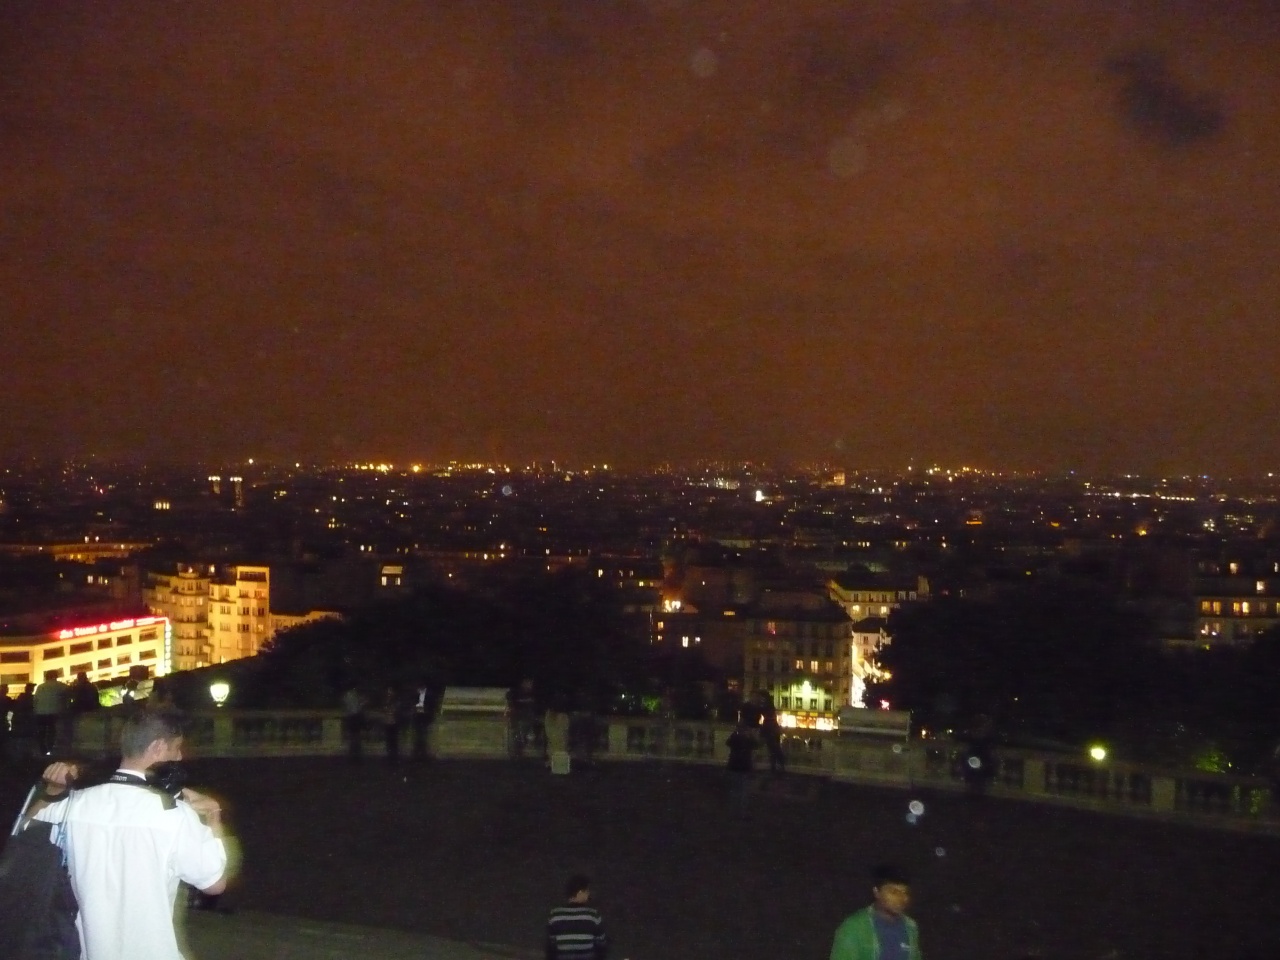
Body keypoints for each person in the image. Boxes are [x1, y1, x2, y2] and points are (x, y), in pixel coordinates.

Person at [26, 710, 230, 960]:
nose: (179, 757)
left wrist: (52, 791)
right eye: (176, 749)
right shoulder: (175, 815)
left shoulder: (75, 805)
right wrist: (213, 815)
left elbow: (26, 830)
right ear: (157, 747)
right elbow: (214, 883)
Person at [829, 864, 923, 960]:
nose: (901, 898)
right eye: (894, 892)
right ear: (876, 892)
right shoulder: (854, 927)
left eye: (905, 893)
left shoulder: (910, 927)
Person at [546, 873, 608, 960]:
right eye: (587, 891)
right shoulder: (592, 915)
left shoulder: (555, 914)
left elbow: (552, 943)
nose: (588, 894)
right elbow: (601, 942)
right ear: (580, 892)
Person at [725, 720, 759, 814]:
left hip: (734, 766)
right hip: (745, 766)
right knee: (743, 790)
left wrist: (735, 733)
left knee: (734, 790)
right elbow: (756, 745)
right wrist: (751, 734)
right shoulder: (748, 739)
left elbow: (727, 743)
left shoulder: (735, 738)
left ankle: (733, 810)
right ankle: (742, 811)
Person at [33, 672, 69, 756]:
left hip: (40, 712)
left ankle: (43, 749)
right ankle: (50, 748)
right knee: (52, 731)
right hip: (54, 712)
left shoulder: (40, 687)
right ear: (55, 676)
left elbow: (35, 700)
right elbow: (68, 697)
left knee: (42, 732)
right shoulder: (61, 686)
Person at [758, 692, 786, 775]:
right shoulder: (770, 706)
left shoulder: (765, 706)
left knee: (773, 748)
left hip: (770, 728)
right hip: (773, 728)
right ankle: (778, 765)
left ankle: (775, 766)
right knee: (775, 748)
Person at [342, 684, 367, 765]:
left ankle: (353, 756)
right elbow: (355, 709)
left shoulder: (347, 695)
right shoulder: (354, 695)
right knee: (356, 738)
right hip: (355, 717)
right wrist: (362, 703)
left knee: (353, 738)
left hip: (351, 718)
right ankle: (356, 756)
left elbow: (347, 707)